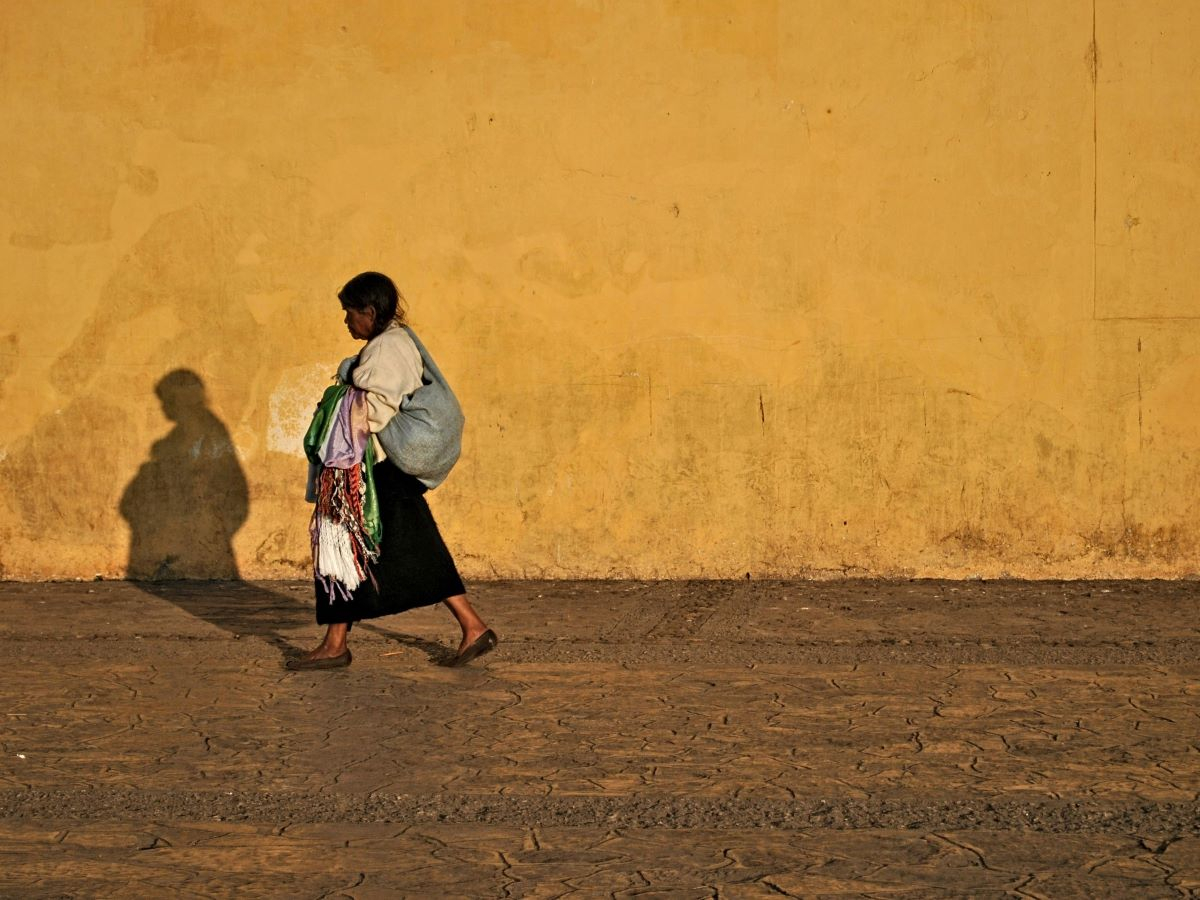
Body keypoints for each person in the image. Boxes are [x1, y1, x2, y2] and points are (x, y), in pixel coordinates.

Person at [288, 272, 496, 670]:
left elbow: (373, 405)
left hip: (409, 458)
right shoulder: (391, 343)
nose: (346, 321)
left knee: (342, 530)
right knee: (404, 537)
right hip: (405, 465)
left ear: (369, 311)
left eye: (350, 313)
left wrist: (345, 392)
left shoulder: (387, 349)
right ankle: (471, 625)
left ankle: (336, 644)